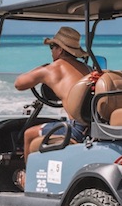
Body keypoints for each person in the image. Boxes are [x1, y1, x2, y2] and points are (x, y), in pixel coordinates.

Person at [13, 25, 92, 187]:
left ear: (61, 50)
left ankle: (29, 181)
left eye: (52, 46)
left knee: (29, 134)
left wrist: (41, 68)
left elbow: (19, 84)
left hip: (76, 130)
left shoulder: (52, 69)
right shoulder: (87, 68)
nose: (51, 51)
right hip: (90, 127)